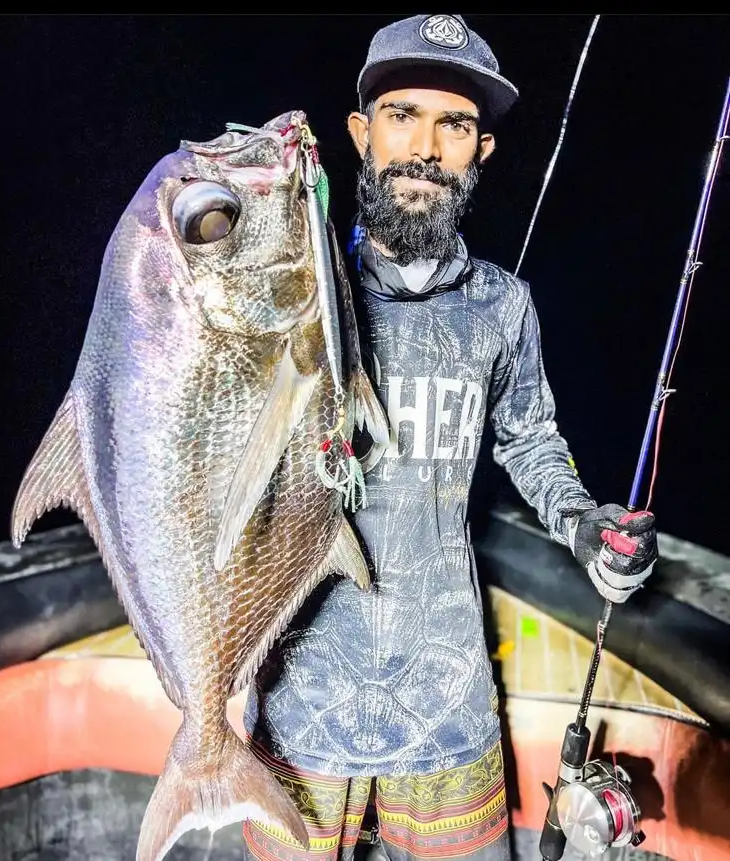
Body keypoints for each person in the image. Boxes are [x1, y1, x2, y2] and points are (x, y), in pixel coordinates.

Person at [241, 14, 659, 861]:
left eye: (455, 124)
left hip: (447, 699)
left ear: (481, 153)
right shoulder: (293, 292)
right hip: (298, 698)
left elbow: (531, 439)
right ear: (360, 134)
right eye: (402, 114)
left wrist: (584, 523)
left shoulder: (503, 305)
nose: (426, 146)